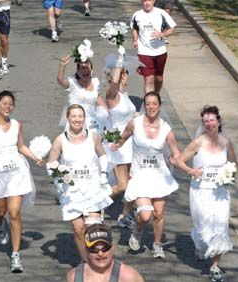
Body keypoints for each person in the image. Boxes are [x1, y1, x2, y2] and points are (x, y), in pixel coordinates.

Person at [0, 90, 45, 273]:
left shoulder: (17, 124)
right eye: (4, 103)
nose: (8, 106)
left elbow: (20, 146)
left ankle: (15, 255)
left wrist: (35, 157)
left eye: (11, 104)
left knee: (14, 212)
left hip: (16, 172)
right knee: (1, 210)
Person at [172, 105, 238, 282]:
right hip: (201, 191)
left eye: (212, 120)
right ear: (203, 123)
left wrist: (230, 173)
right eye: (205, 121)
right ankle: (199, 242)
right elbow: (178, 160)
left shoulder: (226, 142)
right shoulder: (198, 142)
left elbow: (235, 164)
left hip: (220, 192)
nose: (209, 123)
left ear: (219, 121)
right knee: (203, 230)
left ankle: (214, 266)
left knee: (220, 226)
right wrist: (189, 170)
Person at [112, 91, 180, 258]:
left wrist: (186, 167)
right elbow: (121, 139)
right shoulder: (134, 123)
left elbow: (176, 153)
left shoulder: (166, 129)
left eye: (154, 104)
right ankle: (138, 230)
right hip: (140, 175)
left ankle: (157, 244)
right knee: (145, 214)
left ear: (159, 106)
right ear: (144, 105)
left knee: (158, 212)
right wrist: (112, 146)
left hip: (159, 175)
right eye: (148, 104)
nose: (151, 107)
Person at [47, 104, 113, 262]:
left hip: (92, 187)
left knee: (93, 228)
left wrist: (103, 173)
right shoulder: (60, 140)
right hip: (72, 192)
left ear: (84, 118)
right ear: (68, 118)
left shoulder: (93, 136)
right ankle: (86, 263)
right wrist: (59, 178)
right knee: (78, 229)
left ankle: (98, 262)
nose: (77, 119)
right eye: (74, 116)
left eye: (80, 116)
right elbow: (51, 164)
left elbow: (103, 155)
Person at [104, 57, 136, 230]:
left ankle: (124, 215)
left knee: (132, 182)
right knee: (123, 185)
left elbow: (128, 116)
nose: (126, 76)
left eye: (125, 74)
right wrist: (119, 61)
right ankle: (96, 200)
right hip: (118, 144)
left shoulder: (124, 95)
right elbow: (115, 83)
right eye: (124, 73)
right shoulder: (111, 96)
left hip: (131, 143)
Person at [66, 224, 144, 282]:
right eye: (94, 250)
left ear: (112, 248)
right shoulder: (75, 277)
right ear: (86, 251)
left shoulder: (128, 277)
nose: (100, 254)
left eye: (105, 248)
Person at [131, 0, 176, 94]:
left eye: (149, 0)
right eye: (144, 0)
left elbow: (172, 29)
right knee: (148, 79)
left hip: (160, 51)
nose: (147, 3)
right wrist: (135, 40)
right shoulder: (137, 15)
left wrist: (161, 34)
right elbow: (135, 28)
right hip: (144, 52)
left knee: (158, 78)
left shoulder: (161, 13)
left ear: (154, 1)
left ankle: (156, 94)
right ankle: (149, 101)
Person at [57, 54, 109, 135]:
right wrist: (62, 66)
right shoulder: (73, 83)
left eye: (87, 68)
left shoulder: (95, 82)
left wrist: (108, 119)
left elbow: (98, 99)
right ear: (78, 72)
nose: (85, 71)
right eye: (82, 68)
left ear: (91, 70)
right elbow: (60, 81)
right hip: (76, 122)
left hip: (92, 122)